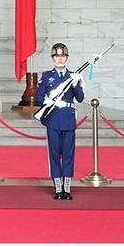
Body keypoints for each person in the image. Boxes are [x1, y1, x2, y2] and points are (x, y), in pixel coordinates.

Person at [35, 42, 85, 200]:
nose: (60, 59)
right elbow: (37, 97)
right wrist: (46, 102)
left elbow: (80, 98)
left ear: (67, 58)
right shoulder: (47, 77)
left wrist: (76, 83)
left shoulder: (73, 77)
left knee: (69, 154)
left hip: (68, 119)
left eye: (63, 56)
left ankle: (67, 187)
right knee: (54, 154)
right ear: (52, 59)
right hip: (53, 118)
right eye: (57, 56)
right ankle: (57, 186)